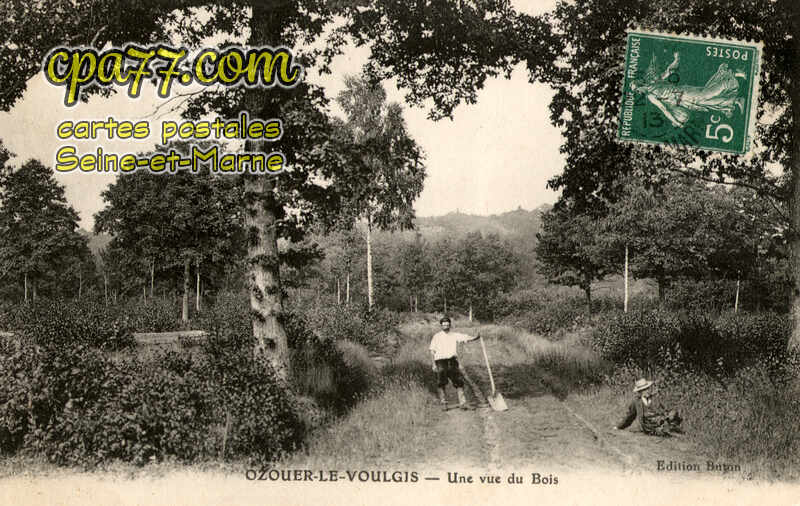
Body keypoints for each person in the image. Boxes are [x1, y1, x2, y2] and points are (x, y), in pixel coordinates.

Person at [429, 316, 480, 410]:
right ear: (441, 326)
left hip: (452, 361)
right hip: (440, 361)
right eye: (444, 325)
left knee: (458, 381)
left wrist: (476, 337)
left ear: (450, 325)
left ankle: (463, 403)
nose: (446, 327)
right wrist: (433, 364)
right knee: (441, 382)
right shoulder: (436, 336)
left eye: (447, 325)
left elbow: (466, 337)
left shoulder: (454, 335)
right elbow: (432, 351)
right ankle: (443, 403)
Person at [613, 378, 682, 437]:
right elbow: (629, 417)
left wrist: (669, 415)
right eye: (644, 389)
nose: (647, 391)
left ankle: (675, 430)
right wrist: (619, 427)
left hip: (662, 423)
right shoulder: (636, 402)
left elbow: (665, 411)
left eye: (648, 388)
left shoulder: (656, 398)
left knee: (672, 418)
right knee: (667, 432)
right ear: (640, 392)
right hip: (649, 428)